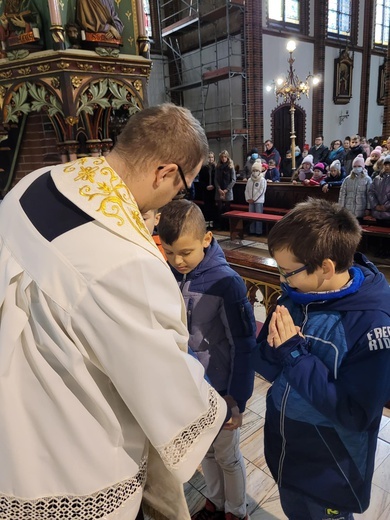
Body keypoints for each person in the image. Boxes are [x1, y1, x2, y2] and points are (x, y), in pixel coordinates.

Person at [0, 103, 228, 520]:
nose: (175, 197)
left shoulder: (36, 180)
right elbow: (157, 372)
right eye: (181, 188)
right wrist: (211, 413)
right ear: (165, 172)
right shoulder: (126, 261)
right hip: (69, 449)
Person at [252, 197, 390, 520]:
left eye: (287, 272)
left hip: (330, 468)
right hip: (287, 450)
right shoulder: (296, 295)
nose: (281, 281)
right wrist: (274, 349)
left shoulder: (372, 323)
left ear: (326, 268)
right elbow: (268, 365)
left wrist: (294, 354)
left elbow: (357, 413)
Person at [158, 200, 256, 520]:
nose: (177, 260)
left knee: (227, 455)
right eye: (170, 252)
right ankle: (215, 501)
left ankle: (236, 511)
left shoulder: (226, 283)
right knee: (207, 452)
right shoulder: (170, 273)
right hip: (192, 385)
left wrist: (236, 398)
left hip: (222, 387)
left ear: (207, 238)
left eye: (185, 252)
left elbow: (243, 344)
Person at [339, 154, 372, 221]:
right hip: (348, 210)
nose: (357, 168)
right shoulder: (347, 179)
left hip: (361, 209)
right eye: (355, 166)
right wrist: (341, 207)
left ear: (363, 167)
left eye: (359, 166)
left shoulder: (367, 179)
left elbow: (369, 195)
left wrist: (368, 208)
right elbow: (342, 194)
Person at [245, 158, 267, 236]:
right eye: (253, 170)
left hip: (258, 201)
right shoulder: (249, 180)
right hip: (250, 201)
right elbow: (246, 190)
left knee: (258, 217)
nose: (255, 172)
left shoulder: (262, 180)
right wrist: (248, 198)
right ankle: (252, 230)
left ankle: (258, 231)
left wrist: (254, 199)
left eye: (256, 170)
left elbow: (261, 191)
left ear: (260, 171)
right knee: (251, 216)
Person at [215, 150, 236, 229]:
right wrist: (219, 189)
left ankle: (227, 226)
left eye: (225, 157)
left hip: (228, 190)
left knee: (227, 209)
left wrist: (227, 189)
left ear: (227, 157)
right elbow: (215, 179)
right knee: (219, 209)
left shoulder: (230, 167)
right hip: (219, 190)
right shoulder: (218, 167)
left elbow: (233, 180)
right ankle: (220, 225)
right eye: (222, 157)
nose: (223, 159)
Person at [369, 154, 390, 225]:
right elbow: (371, 192)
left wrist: (385, 207)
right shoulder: (377, 179)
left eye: (389, 164)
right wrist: (375, 205)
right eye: (385, 164)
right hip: (378, 214)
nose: (387, 166)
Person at [198, 151, 217, 228]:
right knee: (207, 206)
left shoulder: (216, 167)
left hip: (214, 189)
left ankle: (212, 222)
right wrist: (206, 186)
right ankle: (207, 222)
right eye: (209, 157)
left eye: (212, 157)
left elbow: (218, 179)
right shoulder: (203, 168)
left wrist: (214, 186)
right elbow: (201, 180)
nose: (210, 159)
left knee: (213, 206)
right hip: (206, 190)